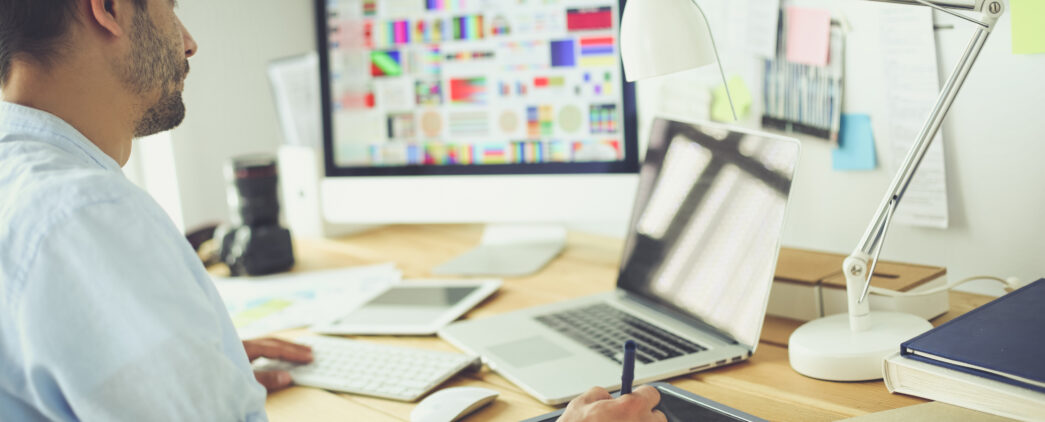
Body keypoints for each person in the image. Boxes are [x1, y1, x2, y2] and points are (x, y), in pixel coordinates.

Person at [0, 0, 665, 421]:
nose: (190, 40)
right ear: (109, 8)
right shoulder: (83, 215)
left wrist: (190, 366)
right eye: (171, 4)